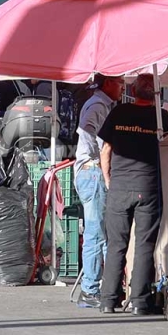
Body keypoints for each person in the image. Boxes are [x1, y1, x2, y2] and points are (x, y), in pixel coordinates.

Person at [98, 74, 168, 315]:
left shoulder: (118, 113)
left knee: (116, 245)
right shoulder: (162, 117)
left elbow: (106, 149)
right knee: (144, 245)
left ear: (134, 90)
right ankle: (140, 302)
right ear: (156, 93)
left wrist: (108, 179)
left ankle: (108, 301)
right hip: (148, 187)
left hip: (119, 186)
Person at [73, 74, 125, 308]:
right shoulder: (97, 105)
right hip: (92, 171)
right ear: (108, 84)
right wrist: (101, 159)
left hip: (95, 170)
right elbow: (87, 133)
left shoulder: (105, 105)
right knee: (95, 232)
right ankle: (89, 290)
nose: (122, 87)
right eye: (119, 82)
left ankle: (107, 287)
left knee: (104, 232)